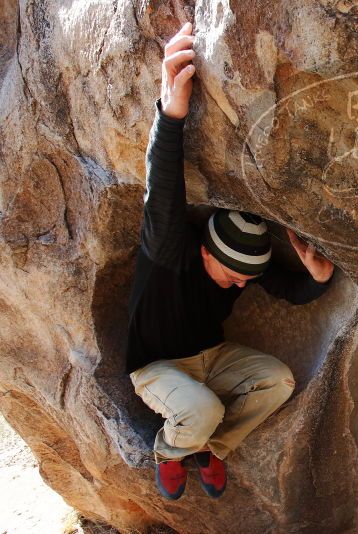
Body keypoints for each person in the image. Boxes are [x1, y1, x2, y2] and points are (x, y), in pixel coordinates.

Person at [125, 22, 335, 500]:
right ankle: (169, 450)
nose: (242, 286)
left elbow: (288, 289)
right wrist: (170, 115)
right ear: (205, 251)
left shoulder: (239, 274)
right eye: (236, 275)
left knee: (277, 381)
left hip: (211, 358)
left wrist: (318, 280)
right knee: (204, 410)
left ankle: (210, 449)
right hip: (157, 367)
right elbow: (161, 189)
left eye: (249, 278)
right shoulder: (167, 252)